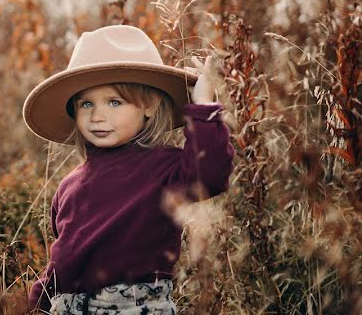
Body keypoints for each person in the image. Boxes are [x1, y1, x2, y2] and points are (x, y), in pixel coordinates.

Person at [21, 24, 235, 314]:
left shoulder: (165, 169)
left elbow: (210, 173)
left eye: (114, 102)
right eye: (86, 103)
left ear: (148, 105)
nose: (97, 116)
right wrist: (37, 302)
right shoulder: (69, 186)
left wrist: (204, 109)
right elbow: (63, 259)